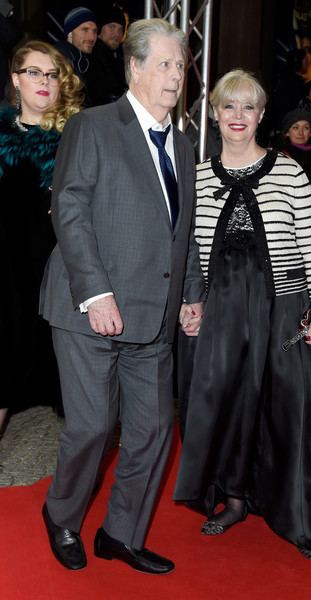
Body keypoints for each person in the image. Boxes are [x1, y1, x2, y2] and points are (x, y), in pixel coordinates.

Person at [174, 69, 311, 564]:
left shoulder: (289, 171)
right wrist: (194, 303)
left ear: (260, 115)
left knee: (289, 410)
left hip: (284, 310)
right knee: (230, 409)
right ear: (214, 113)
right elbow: (191, 249)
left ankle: (299, 511)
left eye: (247, 107)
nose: (237, 116)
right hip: (225, 315)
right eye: (228, 107)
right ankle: (234, 500)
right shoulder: (200, 175)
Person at [40, 18, 205, 574]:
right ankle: (62, 516)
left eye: (181, 65)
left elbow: (182, 231)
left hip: (153, 314)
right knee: (90, 426)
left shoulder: (182, 147)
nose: (175, 75)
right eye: (164, 63)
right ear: (133, 68)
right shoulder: (93, 126)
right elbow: (70, 211)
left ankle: (121, 532)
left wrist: (190, 293)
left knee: (153, 430)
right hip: (90, 308)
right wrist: (97, 293)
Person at [0, 41, 83, 434]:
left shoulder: (79, 137)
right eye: (34, 72)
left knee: (73, 386)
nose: (44, 81)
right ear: (16, 79)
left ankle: (75, 483)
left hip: (62, 271)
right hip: (7, 272)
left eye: (52, 74)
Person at [86, 5, 127, 106]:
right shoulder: (90, 58)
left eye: (120, 29)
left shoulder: (120, 56)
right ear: (99, 29)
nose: (117, 34)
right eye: (112, 27)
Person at [54, 5, 97, 101]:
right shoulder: (60, 58)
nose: (92, 37)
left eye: (94, 31)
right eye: (85, 30)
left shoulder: (83, 60)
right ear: (70, 33)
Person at [278, 108, 311, 185]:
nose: (301, 133)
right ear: (287, 133)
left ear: (310, 133)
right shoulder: (282, 156)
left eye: (306, 128)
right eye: (295, 128)